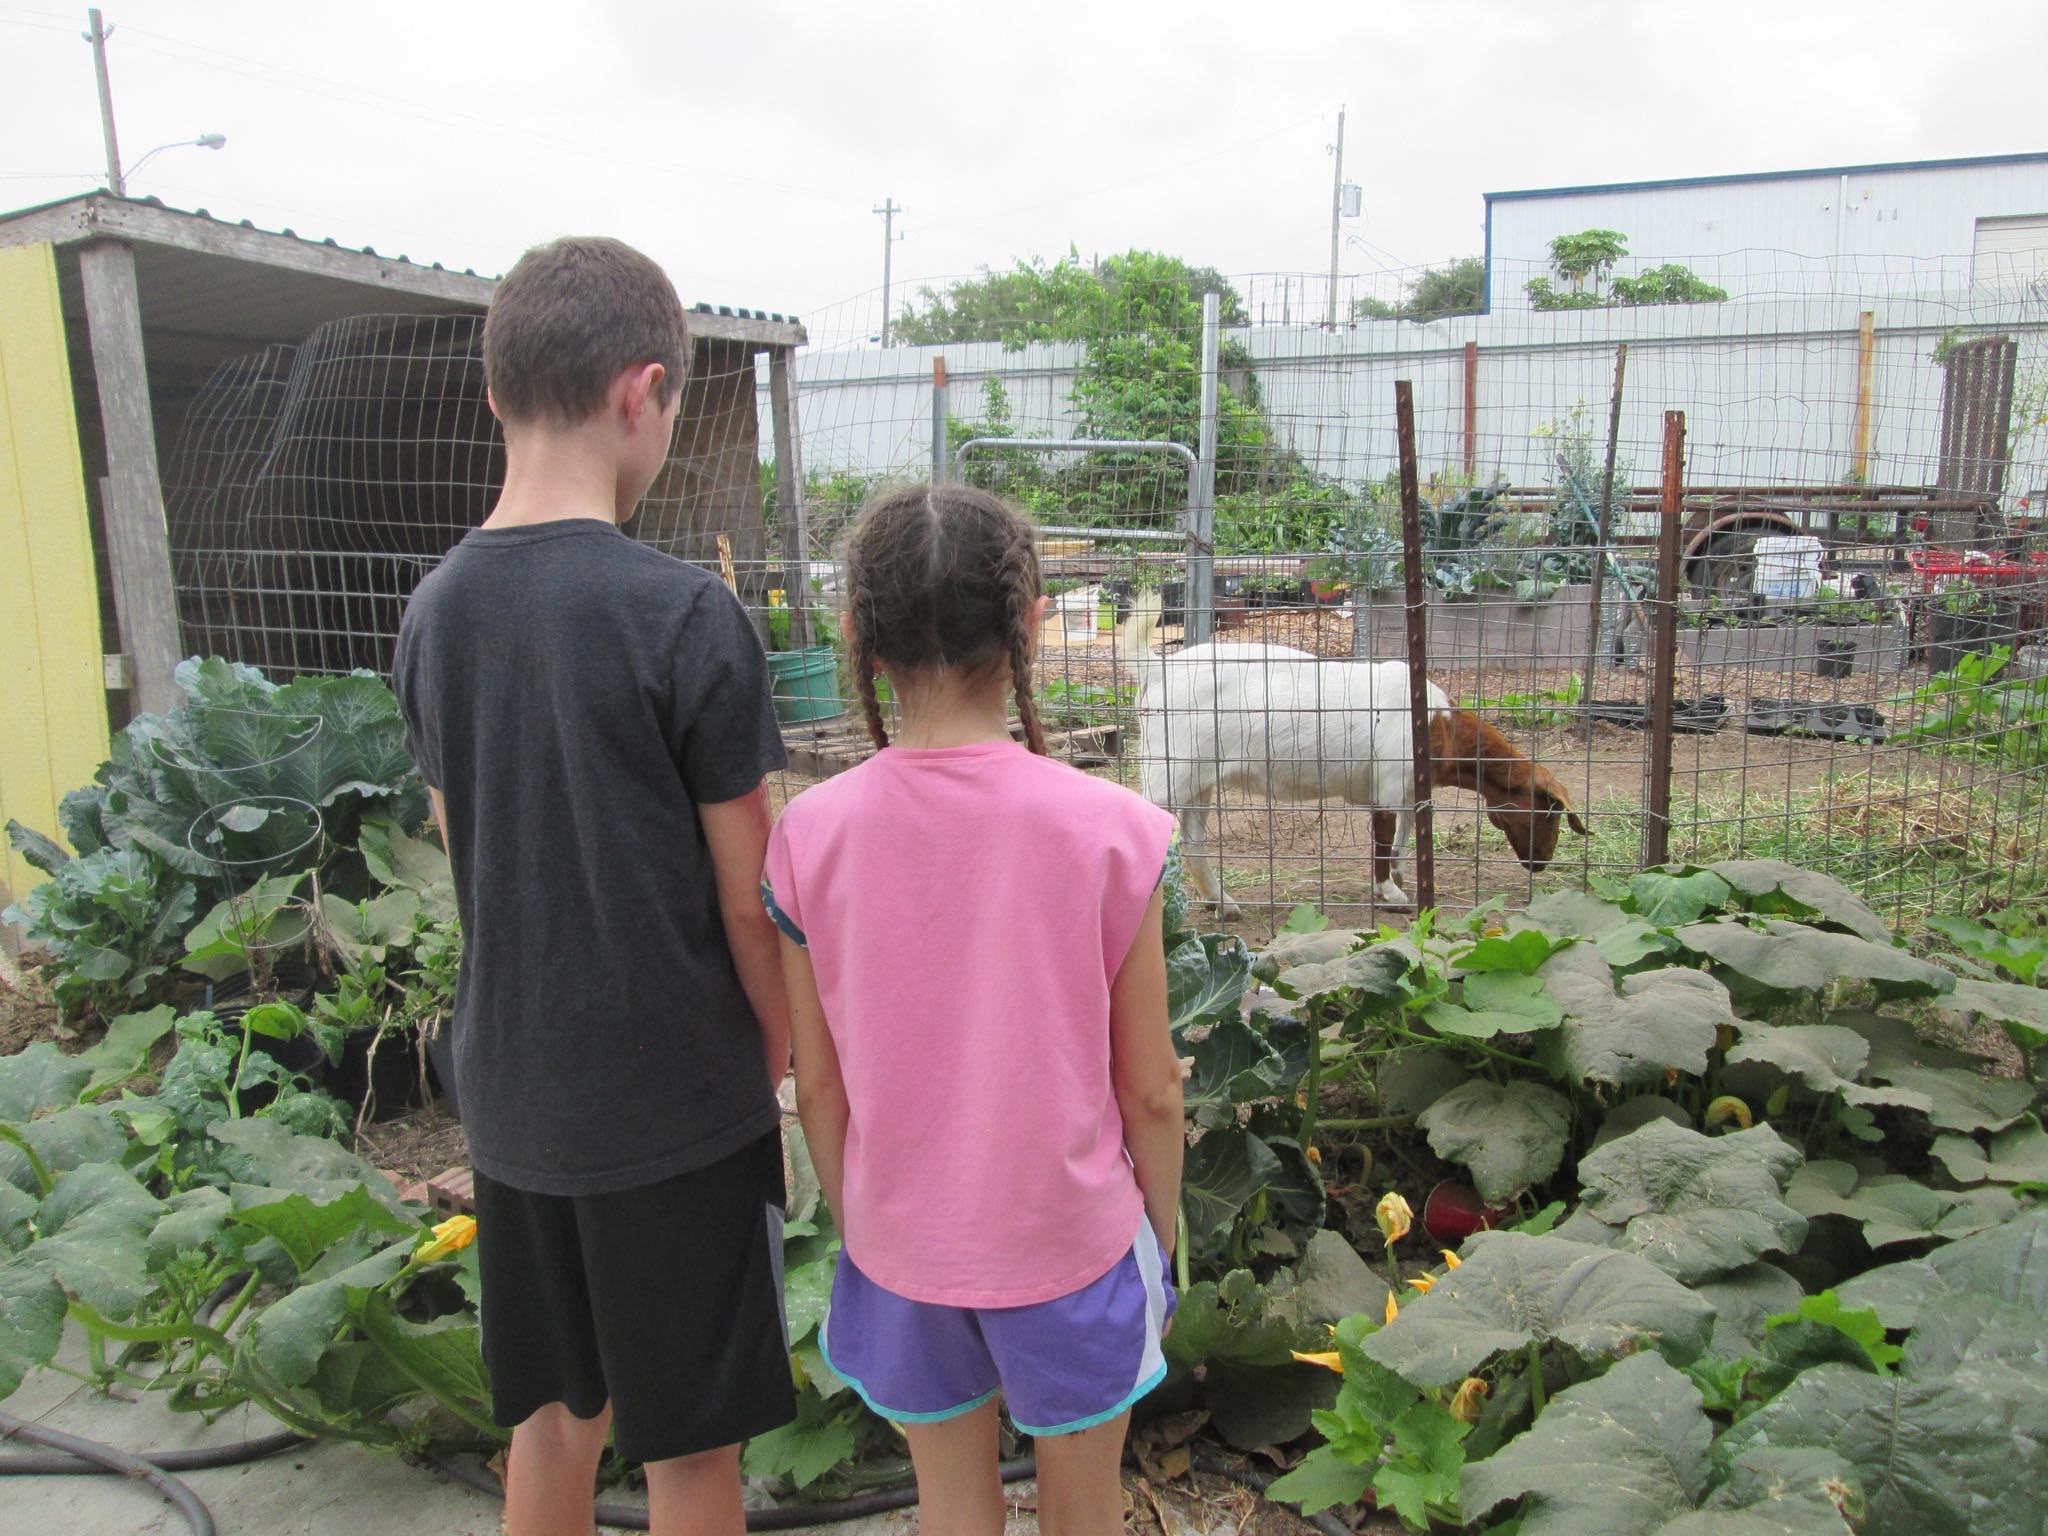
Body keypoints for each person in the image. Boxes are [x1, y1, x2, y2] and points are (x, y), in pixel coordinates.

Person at [392, 236, 794, 1536]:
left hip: (514, 1089)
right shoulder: (685, 617)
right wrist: (782, 1060)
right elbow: (752, 898)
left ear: (497, 397)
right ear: (643, 392)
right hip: (672, 1099)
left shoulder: (435, 612)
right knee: (690, 1451)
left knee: (553, 1421)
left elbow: (466, 853)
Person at [763, 485, 1186, 1536]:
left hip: (902, 1247)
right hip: (1073, 1246)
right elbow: (1149, 1087)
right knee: (1082, 1514)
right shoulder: (1109, 830)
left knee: (951, 1514)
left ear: (855, 633)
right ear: (1030, 619)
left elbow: (815, 1084)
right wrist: (1160, 1243)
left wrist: (869, 1228)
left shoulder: (809, 836)